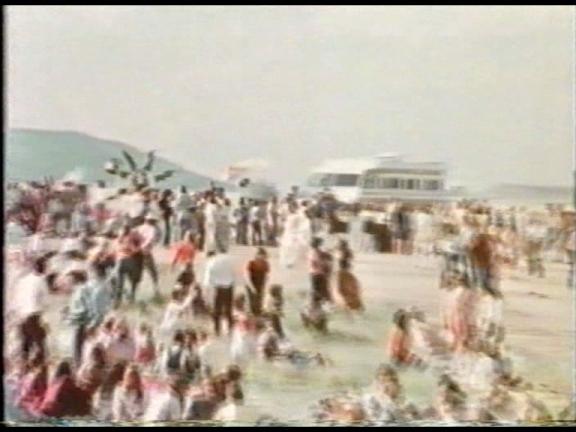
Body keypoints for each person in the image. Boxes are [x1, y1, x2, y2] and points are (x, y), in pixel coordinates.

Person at [13, 257, 50, 364]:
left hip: (21, 316)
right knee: (41, 346)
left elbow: (17, 299)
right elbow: (45, 301)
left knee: (25, 347)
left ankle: (23, 368)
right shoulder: (41, 280)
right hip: (34, 316)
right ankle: (41, 369)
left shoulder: (23, 280)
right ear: (42, 267)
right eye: (46, 266)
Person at [202, 247, 237, 336]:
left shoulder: (212, 261)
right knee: (228, 309)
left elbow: (207, 278)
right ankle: (230, 329)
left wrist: (206, 292)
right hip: (229, 286)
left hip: (217, 287)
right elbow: (235, 273)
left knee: (217, 309)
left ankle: (217, 329)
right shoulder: (231, 259)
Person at [114, 225, 144, 304]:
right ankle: (129, 297)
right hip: (126, 260)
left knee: (122, 281)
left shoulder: (124, 237)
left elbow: (140, 242)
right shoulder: (126, 237)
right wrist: (136, 249)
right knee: (129, 280)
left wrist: (136, 249)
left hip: (123, 260)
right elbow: (133, 248)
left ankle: (120, 299)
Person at [335, 239, 364, 312]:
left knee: (342, 289)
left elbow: (342, 259)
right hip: (346, 270)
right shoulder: (347, 252)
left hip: (343, 271)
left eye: (340, 245)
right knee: (346, 289)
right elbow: (351, 258)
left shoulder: (342, 252)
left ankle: (350, 305)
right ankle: (353, 305)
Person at [137, 214, 161, 296]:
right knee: (153, 272)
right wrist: (145, 246)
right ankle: (155, 289)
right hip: (145, 253)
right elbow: (151, 239)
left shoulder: (139, 228)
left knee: (139, 271)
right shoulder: (152, 229)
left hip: (137, 252)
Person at [230, 294, 258, 365]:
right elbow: (239, 319)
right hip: (241, 332)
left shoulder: (245, 310)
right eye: (241, 301)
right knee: (240, 349)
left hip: (246, 332)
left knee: (246, 351)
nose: (243, 303)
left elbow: (251, 321)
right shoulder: (235, 311)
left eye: (243, 301)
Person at [245, 247, 270, 316]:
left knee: (259, 299)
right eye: (262, 255)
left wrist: (264, 285)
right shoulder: (251, 263)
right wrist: (252, 287)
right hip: (251, 282)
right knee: (252, 300)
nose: (263, 257)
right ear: (257, 255)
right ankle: (252, 313)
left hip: (260, 283)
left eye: (264, 256)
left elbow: (266, 275)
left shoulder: (265, 263)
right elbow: (247, 276)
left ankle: (258, 313)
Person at [308, 237, 332, 304]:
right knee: (320, 289)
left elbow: (328, 257)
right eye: (319, 243)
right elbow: (320, 262)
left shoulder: (313, 252)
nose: (320, 245)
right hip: (318, 273)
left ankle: (316, 302)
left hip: (314, 273)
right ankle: (318, 302)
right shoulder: (317, 252)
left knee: (317, 289)